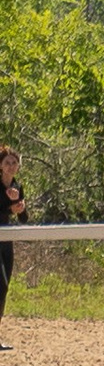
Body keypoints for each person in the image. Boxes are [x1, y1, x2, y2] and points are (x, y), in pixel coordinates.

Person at [0, 146, 22, 352]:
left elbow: (24, 218)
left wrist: (18, 206)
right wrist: (9, 206)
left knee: (4, 287)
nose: (11, 166)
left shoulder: (17, 186)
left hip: (7, 240)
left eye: (14, 162)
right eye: (7, 162)